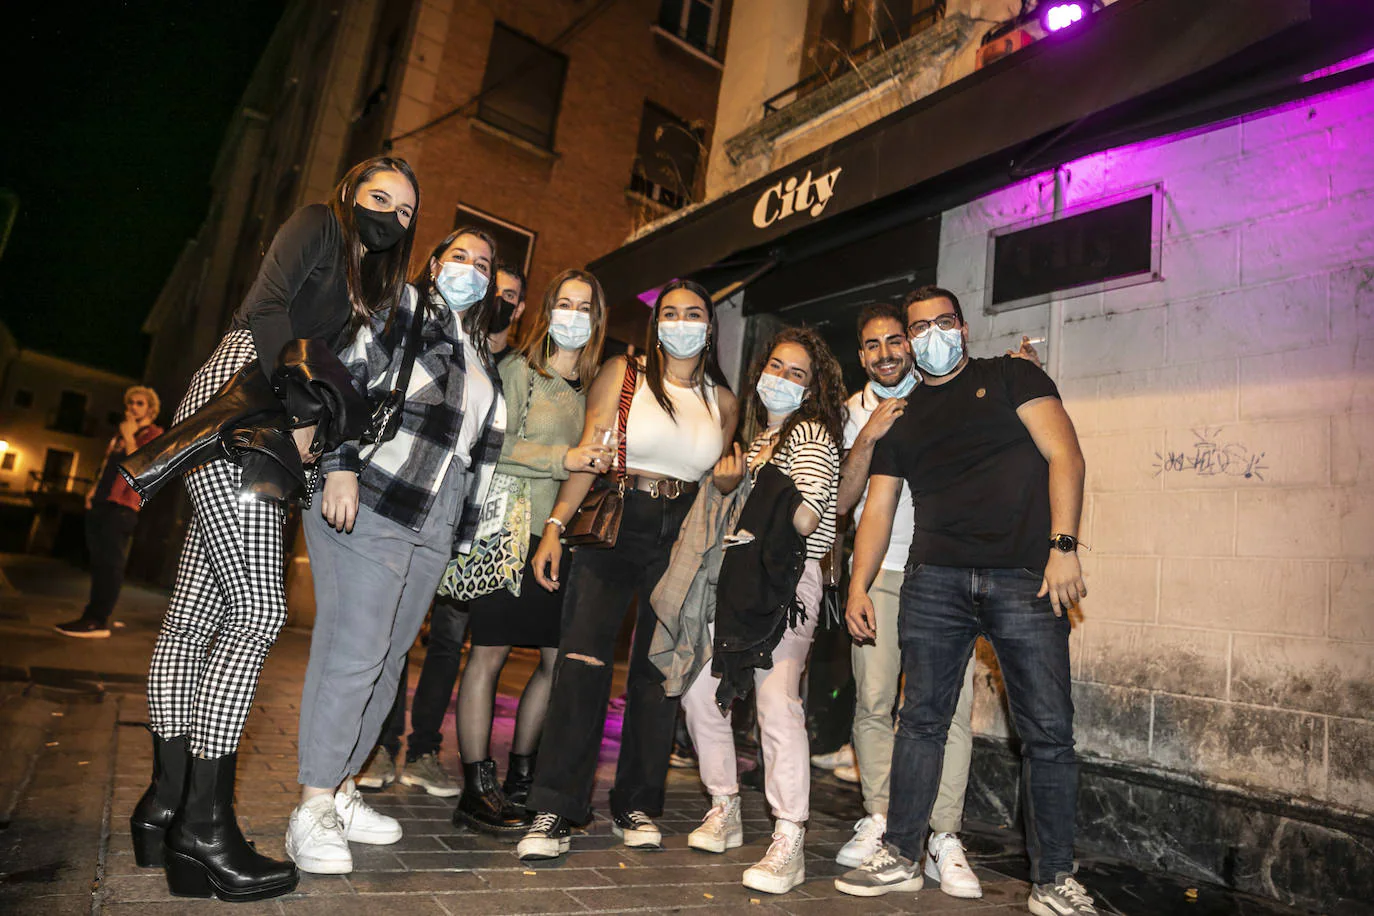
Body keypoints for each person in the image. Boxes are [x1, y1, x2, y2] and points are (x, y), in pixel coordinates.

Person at [129, 156, 419, 903]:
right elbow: (265, 311)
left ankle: (165, 805)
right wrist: (297, 417)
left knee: (197, 614)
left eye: (407, 210)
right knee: (258, 610)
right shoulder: (319, 223)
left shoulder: (365, 286)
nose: (390, 213)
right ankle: (204, 826)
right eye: (379, 196)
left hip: (265, 413)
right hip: (245, 405)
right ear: (351, 193)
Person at [834, 286, 1097, 916]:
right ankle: (901, 853)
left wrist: (1064, 545)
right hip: (935, 583)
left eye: (940, 323)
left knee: (1048, 733)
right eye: (917, 327)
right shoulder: (903, 413)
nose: (930, 336)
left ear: (963, 328)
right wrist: (857, 583)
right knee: (921, 720)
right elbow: (878, 510)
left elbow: (1066, 453)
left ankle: (1054, 878)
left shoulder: (1013, 377)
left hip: (1024, 578)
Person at [285, 228, 506, 875]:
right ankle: (313, 803)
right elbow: (344, 385)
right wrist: (341, 466)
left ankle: (345, 786)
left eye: (484, 264)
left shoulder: (480, 352)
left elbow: (473, 451)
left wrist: (464, 533)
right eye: (459, 256)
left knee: (386, 663)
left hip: (435, 517)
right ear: (436, 261)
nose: (470, 269)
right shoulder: (401, 309)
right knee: (353, 654)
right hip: (375, 494)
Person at [516, 279, 739, 861]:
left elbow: (720, 483)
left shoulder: (725, 400)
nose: (682, 322)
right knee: (583, 662)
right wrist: (555, 528)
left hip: (683, 534)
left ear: (710, 326)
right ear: (656, 322)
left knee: (656, 672)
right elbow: (591, 451)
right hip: (616, 521)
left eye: (694, 313)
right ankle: (555, 806)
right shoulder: (626, 372)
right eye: (671, 313)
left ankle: (636, 802)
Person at [353, 261, 528, 798]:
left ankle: (425, 749)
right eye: (490, 288)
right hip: (415, 498)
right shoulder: (441, 333)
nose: (495, 298)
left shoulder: (512, 367)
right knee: (394, 631)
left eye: (509, 296)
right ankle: (382, 743)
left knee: (448, 641)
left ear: (519, 309)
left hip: (469, 520)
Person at [681, 326, 844, 895]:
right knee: (702, 688)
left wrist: (763, 495)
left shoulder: (813, 436)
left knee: (777, 701)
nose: (782, 379)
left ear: (813, 387)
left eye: (797, 373)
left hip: (785, 584)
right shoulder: (754, 443)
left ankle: (790, 833)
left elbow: (806, 520)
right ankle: (724, 806)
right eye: (776, 366)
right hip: (737, 582)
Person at [448, 268, 611, 835]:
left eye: (583, 306)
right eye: (563, 303)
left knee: (551, 658)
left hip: (555, 538)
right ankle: (476, 784)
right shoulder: (521, 370)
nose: (573, 315)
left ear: (597, 318)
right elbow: (492, 444)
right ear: (547, 309)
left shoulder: (593, 390)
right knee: (489, 654)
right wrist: (562, 458)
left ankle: (521, 777)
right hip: (503, 530)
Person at [832, 302, 980, 895]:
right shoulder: (850, 412)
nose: (887, 353)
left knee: (952, 710)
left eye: (897, 339)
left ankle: (944, 835)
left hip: (943, 575)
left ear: (913, 341)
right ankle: (885, 821)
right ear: (860, 352)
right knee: (872, 701)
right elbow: (842, 504)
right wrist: (867, 438)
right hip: (879, 574)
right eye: (873, 345)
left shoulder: (946, 393)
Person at [56, 386, 163, 638]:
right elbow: (107, 466)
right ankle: (89, 616)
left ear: (150, 409)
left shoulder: (154, 434)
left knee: (111, 565)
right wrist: (93, 490)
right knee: (99, 563)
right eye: (130, 403)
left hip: (123, 505)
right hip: (102, 501)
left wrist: (128, 437)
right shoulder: (119, 434)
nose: (132, 408)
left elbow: (141, 468)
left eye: (139, 403)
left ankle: (98, 620)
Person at [488, 263, 528, 360]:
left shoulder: (520, 368)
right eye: (494, 291)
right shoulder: (457, 350)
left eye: (509, 295)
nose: (498, 299)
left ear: (519, 310)